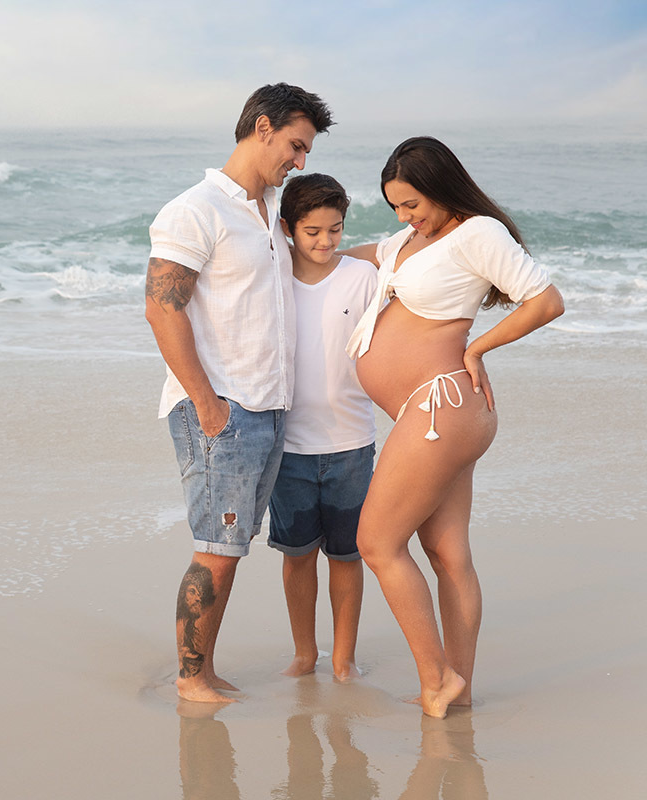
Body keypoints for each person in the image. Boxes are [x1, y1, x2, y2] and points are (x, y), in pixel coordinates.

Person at [342, 136, 565, 717]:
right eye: (394, 206)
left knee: (376, 542)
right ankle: (457, 687)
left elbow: (545, 301)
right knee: (445, 552)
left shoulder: (476, 233)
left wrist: (479, 348)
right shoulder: (410, 238)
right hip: (438, 410)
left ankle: (436, 680)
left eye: (412, 202)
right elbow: (352, 254)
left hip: (440, 404)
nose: (404, 215)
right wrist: (295, 239)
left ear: (441, 186)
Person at [145, 83, 335, 703]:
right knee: (216, 549)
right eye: (295, 145)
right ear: (261, 127)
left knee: (230, 547)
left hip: (267, 407)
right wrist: (206, 404)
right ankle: (191, 677)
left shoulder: (270, 212)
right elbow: (161, 309)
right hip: (222, 409)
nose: (300, 161)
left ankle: (202, 671)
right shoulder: (196, 209)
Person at [266, 174, 377, 682]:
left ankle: (344, 658)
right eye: (312, 232)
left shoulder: (362, 277)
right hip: (286, 445)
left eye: (335, 230)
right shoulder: (270, 277)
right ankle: (305, 652)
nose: (326, 242)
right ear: (287, 228)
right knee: (296, 558)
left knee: (347, 556)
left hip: (351, 441)